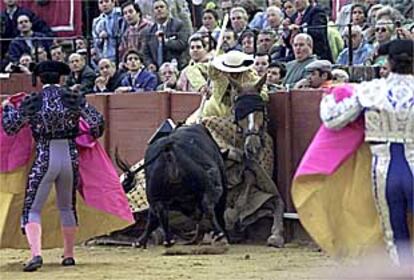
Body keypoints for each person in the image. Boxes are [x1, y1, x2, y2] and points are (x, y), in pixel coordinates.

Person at [294, 39, 413, 266]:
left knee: (394, 233)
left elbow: (333, 119)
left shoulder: (371, 90)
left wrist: (330, 95)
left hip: (384, 170)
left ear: (388, 62)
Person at [1, 61, 113, 271]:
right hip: (70, 157)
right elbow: (97, 123)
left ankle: (36, 254)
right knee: (67, 206)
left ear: (40, 79)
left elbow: (11, 127)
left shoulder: (33, 101)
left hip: (45, 156)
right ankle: (68, 255)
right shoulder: (73, 99)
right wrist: (82, 136)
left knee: (32, 208)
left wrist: (7, 108)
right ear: (60, 78)